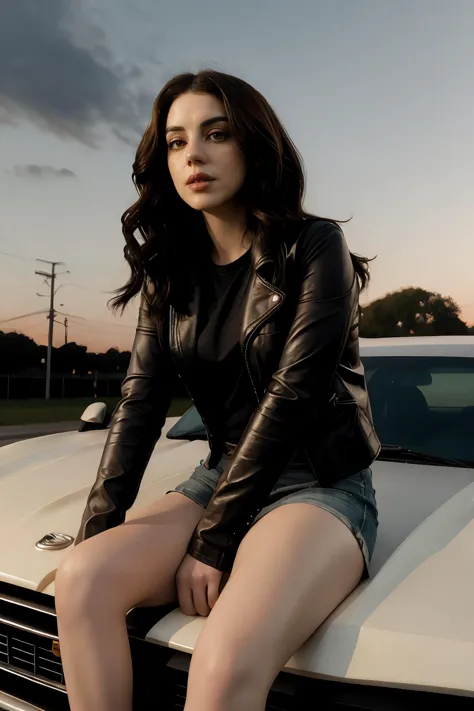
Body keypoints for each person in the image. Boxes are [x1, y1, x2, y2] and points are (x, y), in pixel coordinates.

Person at [55, 69, 380, 711]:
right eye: (175, 142)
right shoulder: (170, 273)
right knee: (81, 580)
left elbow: (292, 393)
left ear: (255, 146)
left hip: (317, 482)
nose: (193, 155)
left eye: (216, 133)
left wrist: (212, 542)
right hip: (221, 472)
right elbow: (140, 403)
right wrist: (99, 530)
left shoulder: (316, 246)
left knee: (220, 664)